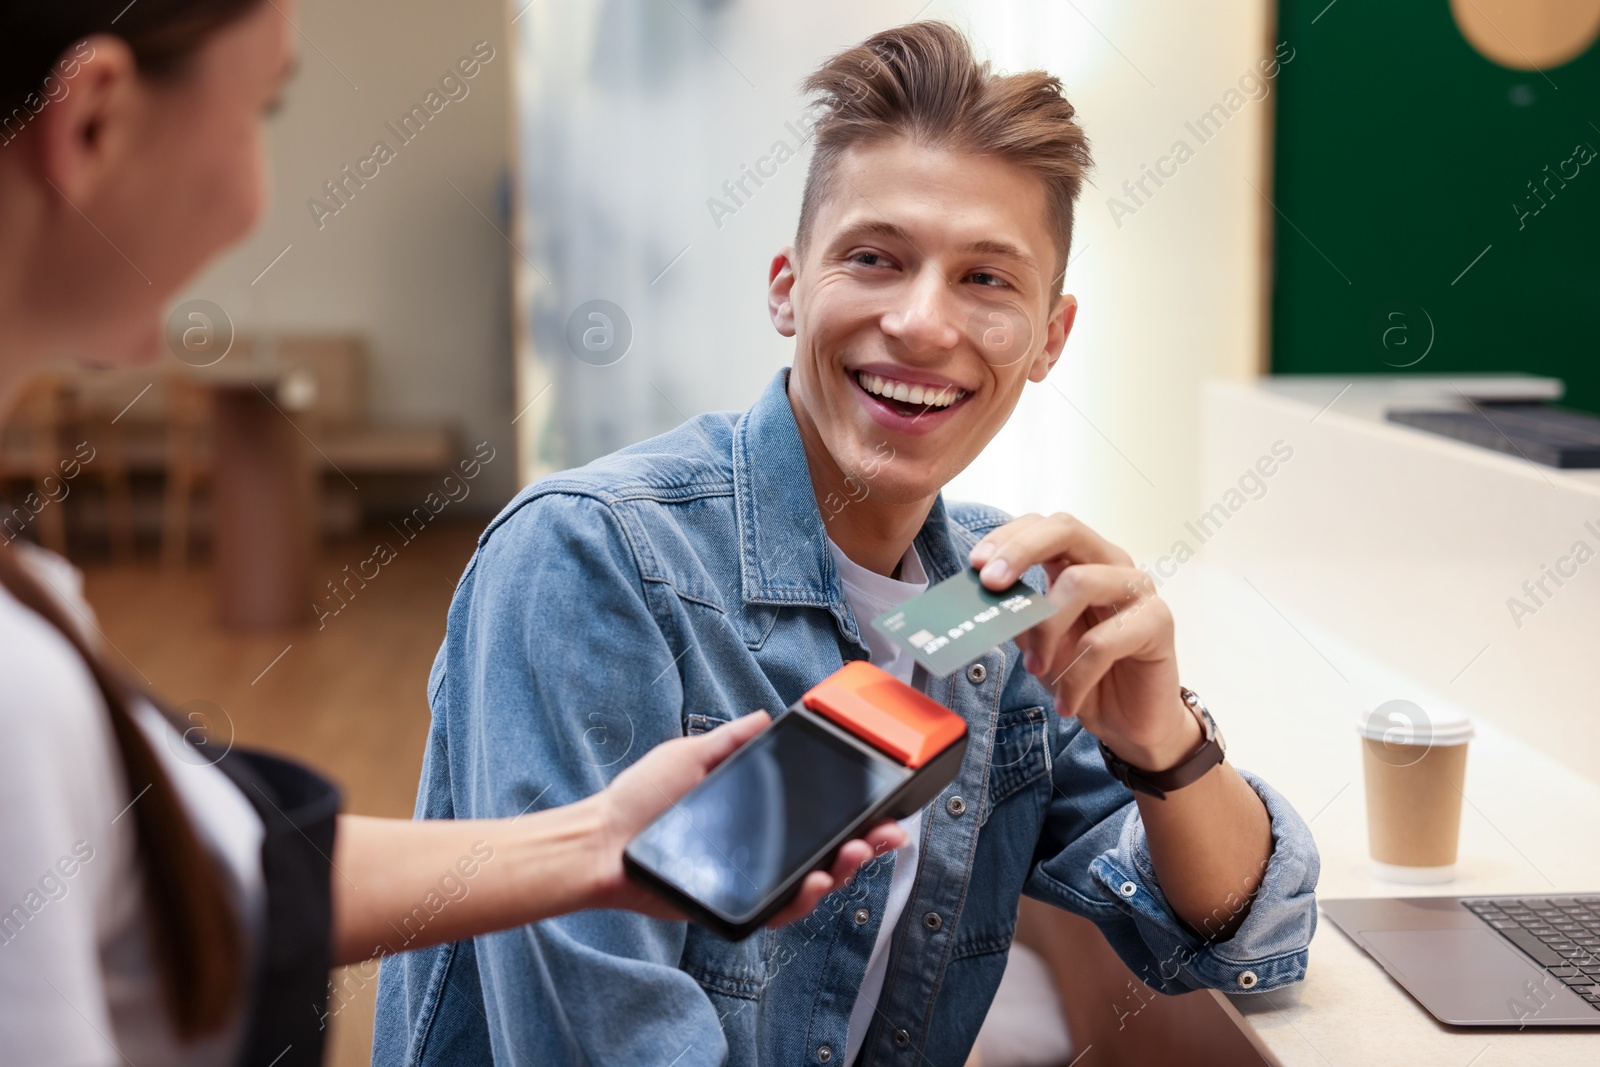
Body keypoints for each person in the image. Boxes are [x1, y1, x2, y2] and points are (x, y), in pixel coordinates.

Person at [375, 20, 1322, 1067]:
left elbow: (1246, 935)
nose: (921, 322)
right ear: (788, 287)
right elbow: (600, 1044)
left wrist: (1163, 741)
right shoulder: (595, 558)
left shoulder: (989, 597)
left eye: (985, 280)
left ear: (1049, 336)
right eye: (875, 258)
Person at [0, 3, 904, 1065]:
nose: (257, 195)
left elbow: (200, 866)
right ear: (93, 123)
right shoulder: (20, 688)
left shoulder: (37, 622)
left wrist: (598, 841)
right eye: (261, 111)